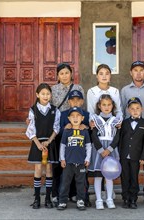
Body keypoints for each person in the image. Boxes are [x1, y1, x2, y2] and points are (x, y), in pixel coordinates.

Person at [121, 61, 144, 205]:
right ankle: (127, 196)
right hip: (130, 132)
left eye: (142, 70)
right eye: (135, 70)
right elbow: (123, 109)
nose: (138, 73)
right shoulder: (124, 90)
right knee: (128, 170)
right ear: (131, 72)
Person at [51, 63, 85, 205]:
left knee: (74, 162)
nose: (64, 75)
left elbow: (84, 107)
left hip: (75, 129)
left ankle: (73, 193)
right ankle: (56, 193)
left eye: (67, 72)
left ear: (71, 73)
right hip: (59, 129)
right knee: (59, 163)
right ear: (58, 76)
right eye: (61, 73)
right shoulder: (53, 90)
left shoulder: (78, 88)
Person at [26, 83, 61, 209]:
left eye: (48, 94)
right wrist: (38, 143)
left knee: (49, 170)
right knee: (38, 169)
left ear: (51, 95)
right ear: (37, 95)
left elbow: (56, 128)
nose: (45, 96)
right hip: (37, 143)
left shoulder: (54, 110)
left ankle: (48, 198)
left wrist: (49, 141)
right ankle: (36, 198)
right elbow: (30, 129)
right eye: (43, 94)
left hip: (49, 143)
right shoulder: (33, 110)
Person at [88, 94, 122, 210]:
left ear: (112, 106)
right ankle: (98, 199)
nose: (106, 107)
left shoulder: (116, 120)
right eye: (104, 105)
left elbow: (117, 137)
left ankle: (109, 199)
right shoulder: (95, 119)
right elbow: (94, 136)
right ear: (99, 106)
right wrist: (101, 150)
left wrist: (109, 149)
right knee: (98, 176)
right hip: (99, 150)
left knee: (109, 176)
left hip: (111, 149)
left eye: (109, 105)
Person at [59, 90, 91, 207]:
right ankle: (62, 199)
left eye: (78, 116)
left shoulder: (85, 128)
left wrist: (87, 158)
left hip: (81, 161)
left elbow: (88, 145)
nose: (75, 118)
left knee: (81, 182)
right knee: (65, 182)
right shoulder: (66, 130)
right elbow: (62, 145)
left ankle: (81, 199)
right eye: (73, 100)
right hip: (68, 161)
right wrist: (62, 159)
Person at [119, 97, 144, 209]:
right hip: (124, 155)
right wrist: (119, 154)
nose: (135, 110)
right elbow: (121, 140)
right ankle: (125, 198)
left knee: (134, 177)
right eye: (132, 108)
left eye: (137, 108)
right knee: (125, 177)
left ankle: (133, 199)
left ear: (142, 109)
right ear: (128, 110)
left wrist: (143, 157)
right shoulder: (124, 123)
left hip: (136, 156)